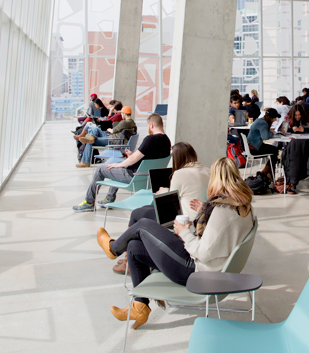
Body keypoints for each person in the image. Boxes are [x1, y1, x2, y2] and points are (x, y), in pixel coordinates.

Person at [97, 158, 254, 329]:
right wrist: (205, 213)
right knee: (134, 247)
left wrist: (184, 232)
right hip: (210, 268)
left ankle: (113, 248)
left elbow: (204, 252)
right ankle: (140, 306)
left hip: (196, 271)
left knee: (143, 224)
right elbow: (223, 234)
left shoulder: (222, 211)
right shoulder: (242, 206)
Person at [111, 142, 210, 275]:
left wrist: (162, 191)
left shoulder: (180, 174)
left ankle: (129, 259)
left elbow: (170, 199)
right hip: (201, 220)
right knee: (145, 210)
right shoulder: (207, 170)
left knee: (137, 214)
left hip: (185, 222)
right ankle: (129, 257)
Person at [72, 113, 171, 211]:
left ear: (151, 125)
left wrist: (120, 164)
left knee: (100, 169)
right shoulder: (167, 141)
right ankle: (109, 199)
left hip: (134, 177)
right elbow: (149, 158)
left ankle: (89, 202)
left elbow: (135, 159)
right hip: (149, 179)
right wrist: (131, 156)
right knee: (117, 165)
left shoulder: (150, 139)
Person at [246, 108, 280, 177]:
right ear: (271, 118)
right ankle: (264, 173)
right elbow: (265, 137)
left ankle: (269, 174)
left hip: (252, 145)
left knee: (274, 151)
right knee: (275, 151)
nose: (275, 120)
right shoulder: (263, 123)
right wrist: (271, 132)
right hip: (254, 148)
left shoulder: (260, 120)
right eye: (274, 118)